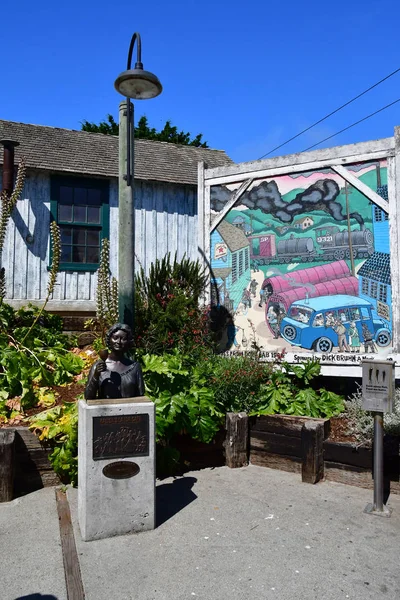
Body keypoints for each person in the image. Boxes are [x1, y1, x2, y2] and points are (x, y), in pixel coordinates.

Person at [85, 323, 145, 400]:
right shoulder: (98, 366)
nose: (119, 342)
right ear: (109, 339)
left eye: (123, 339)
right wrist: (96, 376)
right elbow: (88, 396)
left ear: (128, 342)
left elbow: (141, 397)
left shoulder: (134, 367)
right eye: (115, 338)